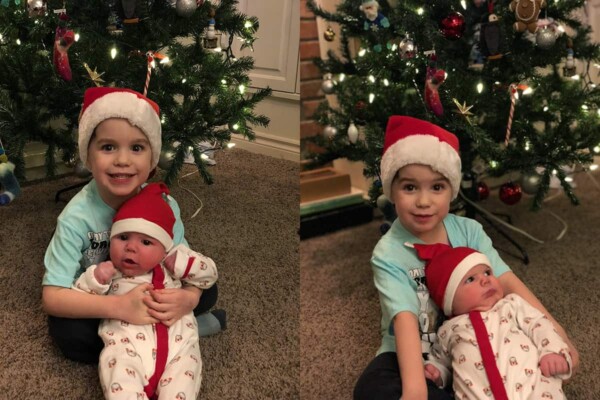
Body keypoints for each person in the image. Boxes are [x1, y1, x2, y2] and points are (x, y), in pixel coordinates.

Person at [353, 116, 579, 400]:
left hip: (487, 336)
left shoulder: (469, 231)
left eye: (437, 187)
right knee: (372, 389)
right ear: (391, 190)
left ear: (452, 190)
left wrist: (559, 334)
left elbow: (508, 282)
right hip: (417, 355)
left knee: (528, 360)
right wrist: (415, 391)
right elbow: (405, 321)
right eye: (410, 187)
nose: (424, 202)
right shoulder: (388, 253)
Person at [42, 87, 225, 364]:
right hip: (104, 297)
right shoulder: (74, 218)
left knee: (208, 290)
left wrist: (188, 298)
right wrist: (120, 308)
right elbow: (53, 296)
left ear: (152, 159)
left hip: (152, 290)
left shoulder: (164, 203)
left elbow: (185, 263)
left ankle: (160, 332)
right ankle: (184, 331)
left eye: (137, 148)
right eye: (108, 147)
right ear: (87, 157)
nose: (123, 160)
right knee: (69, 335)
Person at [73, 182, 217, 399]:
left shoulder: (173, 265)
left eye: (146, 241)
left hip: (178, 346)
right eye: (122, 238)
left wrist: (184, 263)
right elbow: (79, 295)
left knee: (182, 384)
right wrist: (95, 278)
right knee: (120, 380)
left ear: (164, 249)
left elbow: (210, 275)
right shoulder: (111, 272)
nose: (131, 247)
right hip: (127, 347)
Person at [414, 243, 571, 399]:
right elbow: (444, 363)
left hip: (533, 389)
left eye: (487, 272)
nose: (485, 280)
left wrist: (553, 351)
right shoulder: (448, 330)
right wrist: (437, 373)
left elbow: (540, 324)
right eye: (470, 279)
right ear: (449, 300)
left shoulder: (511, 305)